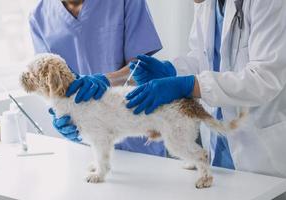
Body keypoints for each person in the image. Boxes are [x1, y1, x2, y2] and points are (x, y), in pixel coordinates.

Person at [126, 0, 286, 179]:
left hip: (261, 158)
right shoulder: (207, 4)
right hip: (218, 151)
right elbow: (201, 56)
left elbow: (264, 79)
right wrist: (172, 70)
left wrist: (189, 85)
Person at [29, 0, 167, 156]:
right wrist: (58, 112)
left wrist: (106, 80)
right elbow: (47, 83)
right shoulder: (39, 16)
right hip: (85, 142)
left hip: (136, 133)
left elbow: (143, 68)